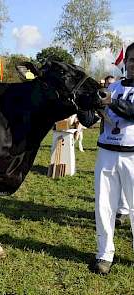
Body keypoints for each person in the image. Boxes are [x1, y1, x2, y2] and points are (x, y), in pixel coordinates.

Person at [78, 42, 134, 275]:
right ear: (125, 62)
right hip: (106, 153)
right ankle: (104, 254)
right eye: (131, 60)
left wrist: (111, 101)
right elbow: (90, 120)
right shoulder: (114, 86)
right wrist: (84, 107)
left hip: (132, 155)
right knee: (103, 206)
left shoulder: (111, 93)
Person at [104, 75, 129, 226]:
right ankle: (118, 210)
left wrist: (111, 102)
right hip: (110, 143)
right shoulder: (113, 88)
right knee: (116, 181)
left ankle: (124, 210)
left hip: (130, 144)